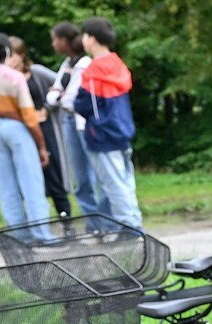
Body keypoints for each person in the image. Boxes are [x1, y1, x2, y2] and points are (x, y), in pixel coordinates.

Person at [0, 33, 51, 228]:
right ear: (8, 50)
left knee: (6, 185)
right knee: (31, 182)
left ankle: (17, 232)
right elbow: (29, 115)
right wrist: (41, 145)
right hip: (17, 127)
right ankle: (41, 231)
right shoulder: (15, 76)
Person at [74, 18, 142, 227]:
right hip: (122, 129)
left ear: (92, 39)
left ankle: (131, 228)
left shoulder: (94, 71)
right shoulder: (117, 63)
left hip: (102, 134)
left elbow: (83, 105)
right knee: (126, 182)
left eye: (84, 36)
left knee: (114, 185)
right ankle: (134, 223)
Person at [9, 37, 70, 218]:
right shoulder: (6, 79)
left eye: (12, 55)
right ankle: (36, 220)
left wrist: (47, 108)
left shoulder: (36, 72)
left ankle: (66, 218)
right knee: (29, 177)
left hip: (45, 128)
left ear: (21, 55)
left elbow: (63, 86)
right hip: (22, 131)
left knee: (54, 174)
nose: (9, 60)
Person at [47, 23, 101, 216]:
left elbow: (72, 99)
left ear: (64, 40)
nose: (53, 44)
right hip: (68, 121)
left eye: (55, 39)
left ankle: (105, 219)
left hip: (83, 123)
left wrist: (59, 95)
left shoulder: (84, 64)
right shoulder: (66, 64)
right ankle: (92, 222)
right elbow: (52, 97)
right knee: (80, 176)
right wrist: (59, 95)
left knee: (95, 171)